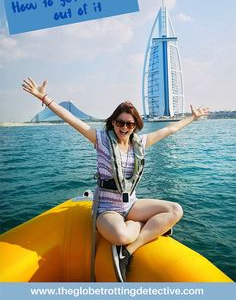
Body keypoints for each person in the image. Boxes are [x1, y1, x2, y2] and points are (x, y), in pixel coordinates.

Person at [22, 77, 209, 282]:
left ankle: (128, 252)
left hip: (132, 204)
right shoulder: (101, 140)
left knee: (175, 210)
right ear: (113, 123)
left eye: (130, 123)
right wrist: (44, 98)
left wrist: (193, 117)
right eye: (121, 122)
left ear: (135, 126)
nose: (125, 127)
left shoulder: (140, 143)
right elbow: (72, 120)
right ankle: (141, 227)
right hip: (107, 208)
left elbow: (169, 130)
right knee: (122, 236)